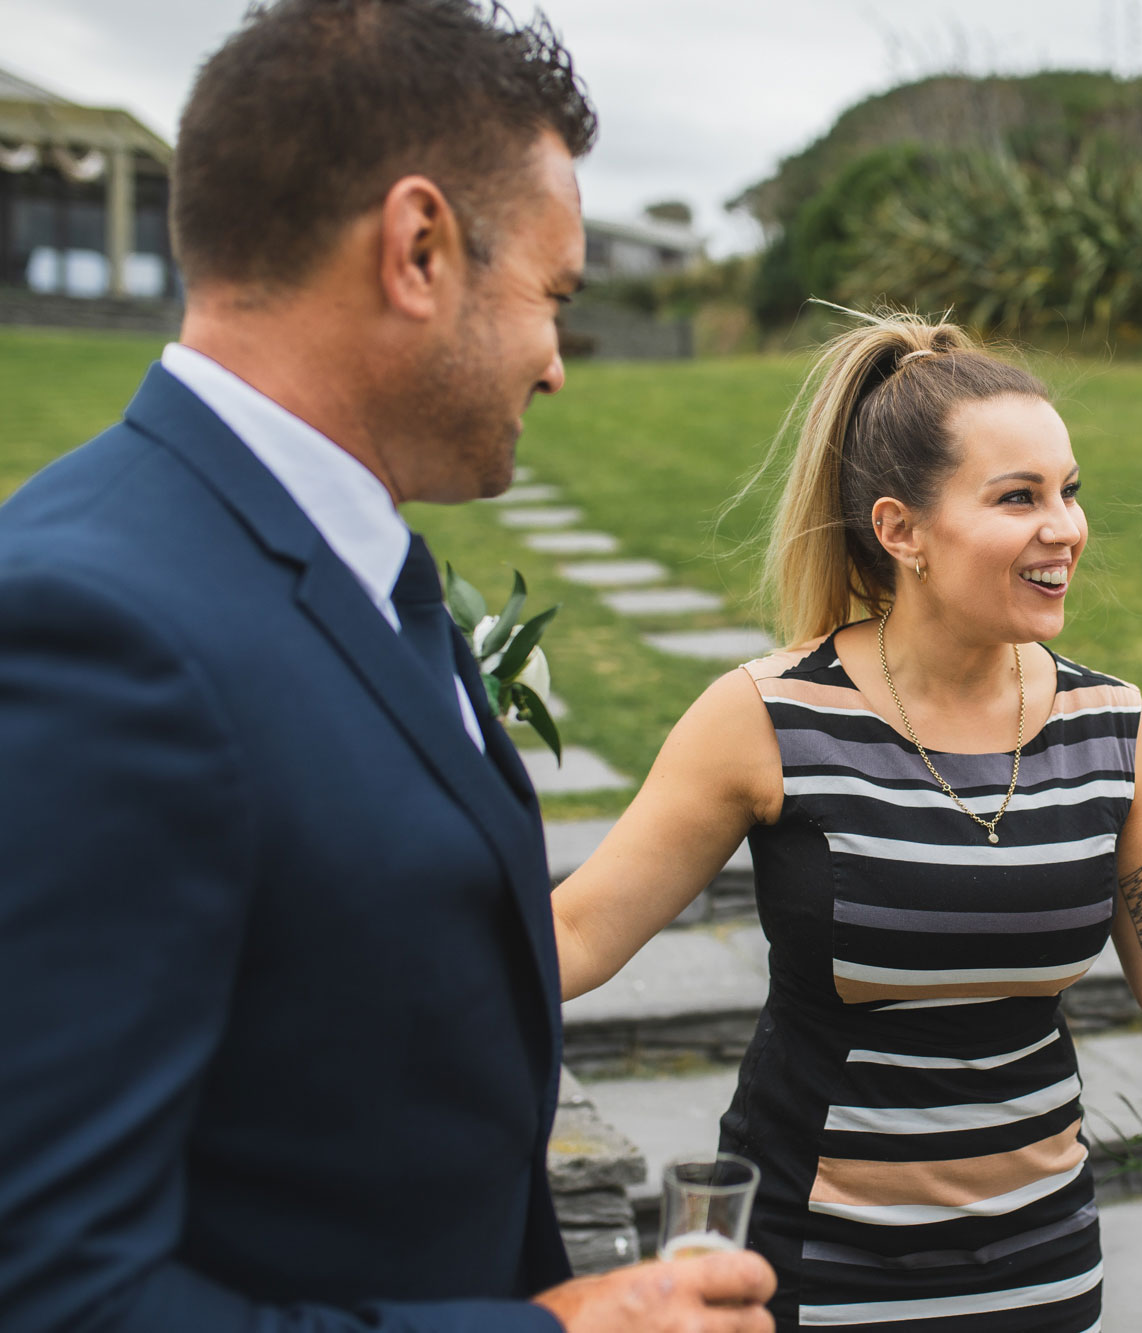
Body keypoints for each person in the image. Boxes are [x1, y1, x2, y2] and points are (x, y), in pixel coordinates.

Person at [0, 3, 772, 1330]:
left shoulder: (343, 562)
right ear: (419, 250)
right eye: (555, 297)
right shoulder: (94, 630)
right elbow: (54, 1294)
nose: (558, 365)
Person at [553, 314, 1142, 1330]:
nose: (1064, 526)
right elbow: (575, 933)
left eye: (1068, 489)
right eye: (1017, 497)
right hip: (817, 1265)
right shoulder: (768, 715)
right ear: (900, 530)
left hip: (1038, 1261)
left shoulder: (1109, 723)